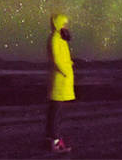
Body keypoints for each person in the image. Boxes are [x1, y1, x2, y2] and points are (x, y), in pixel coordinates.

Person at [46, 13, 75, 153]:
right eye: (63, 24)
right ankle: (56, 144)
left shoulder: (60, 39)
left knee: (57, 113)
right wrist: (66, 72)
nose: (65, 26)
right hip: (60, 81)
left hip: (62, 81)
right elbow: (56, 60)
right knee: (57, 113)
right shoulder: (54, 39)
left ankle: (55, 141)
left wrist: (68, 67)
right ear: (57, 24)